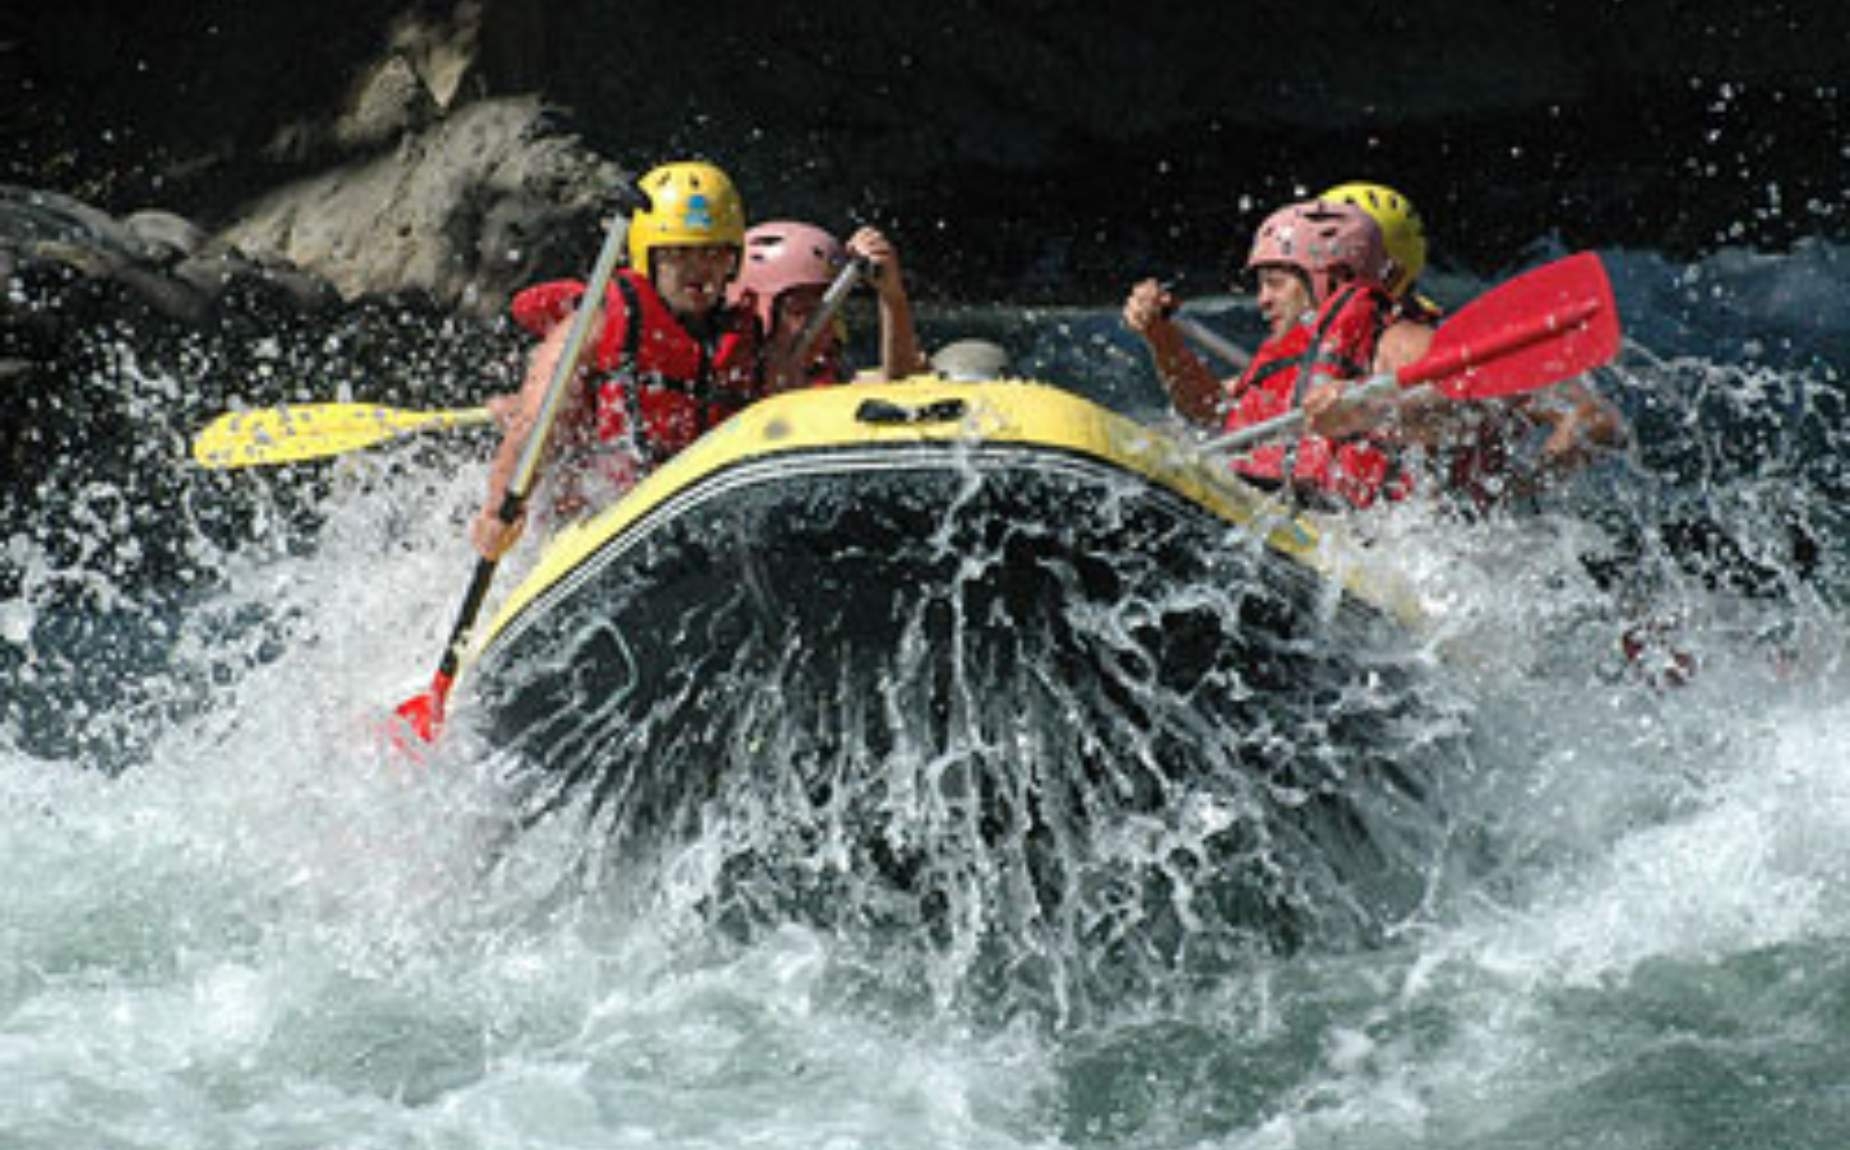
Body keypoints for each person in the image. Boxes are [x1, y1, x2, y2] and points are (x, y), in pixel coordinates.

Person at [473, 159, 782, 560]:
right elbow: (537, 422)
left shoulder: (745, 339)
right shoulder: (597, 322)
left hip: (698, 522)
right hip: (594, 520)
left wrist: (892, 301)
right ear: (647, 256)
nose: (699, 270)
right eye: (679, 254)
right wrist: (500, 508)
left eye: (713, 253)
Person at [1305, 180, 1627, 504]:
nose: (1310, 274)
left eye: (1333, 265)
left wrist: (1528, 487)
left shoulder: (1415, 346)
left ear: (1388, 272)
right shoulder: (1320, 341)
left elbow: (1597, 418)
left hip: (1423, 541)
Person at [1124, 197, 1413, 508]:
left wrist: (1369, 406)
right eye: (1261, 286)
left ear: (1331, 278)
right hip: (1283, 509)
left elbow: (1457, 413)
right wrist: (1163, 340)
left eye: (1275, 284)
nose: (1262, 300)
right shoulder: (1290, 356)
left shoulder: (1399, 340)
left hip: (1358, 534)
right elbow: (1209, 411)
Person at [730, 221, 927, 384]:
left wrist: (892, 296)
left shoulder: (831, 376)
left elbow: (902, 385)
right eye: (802, 311)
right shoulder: (730, 389)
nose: (822, 327)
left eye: (830, 311)